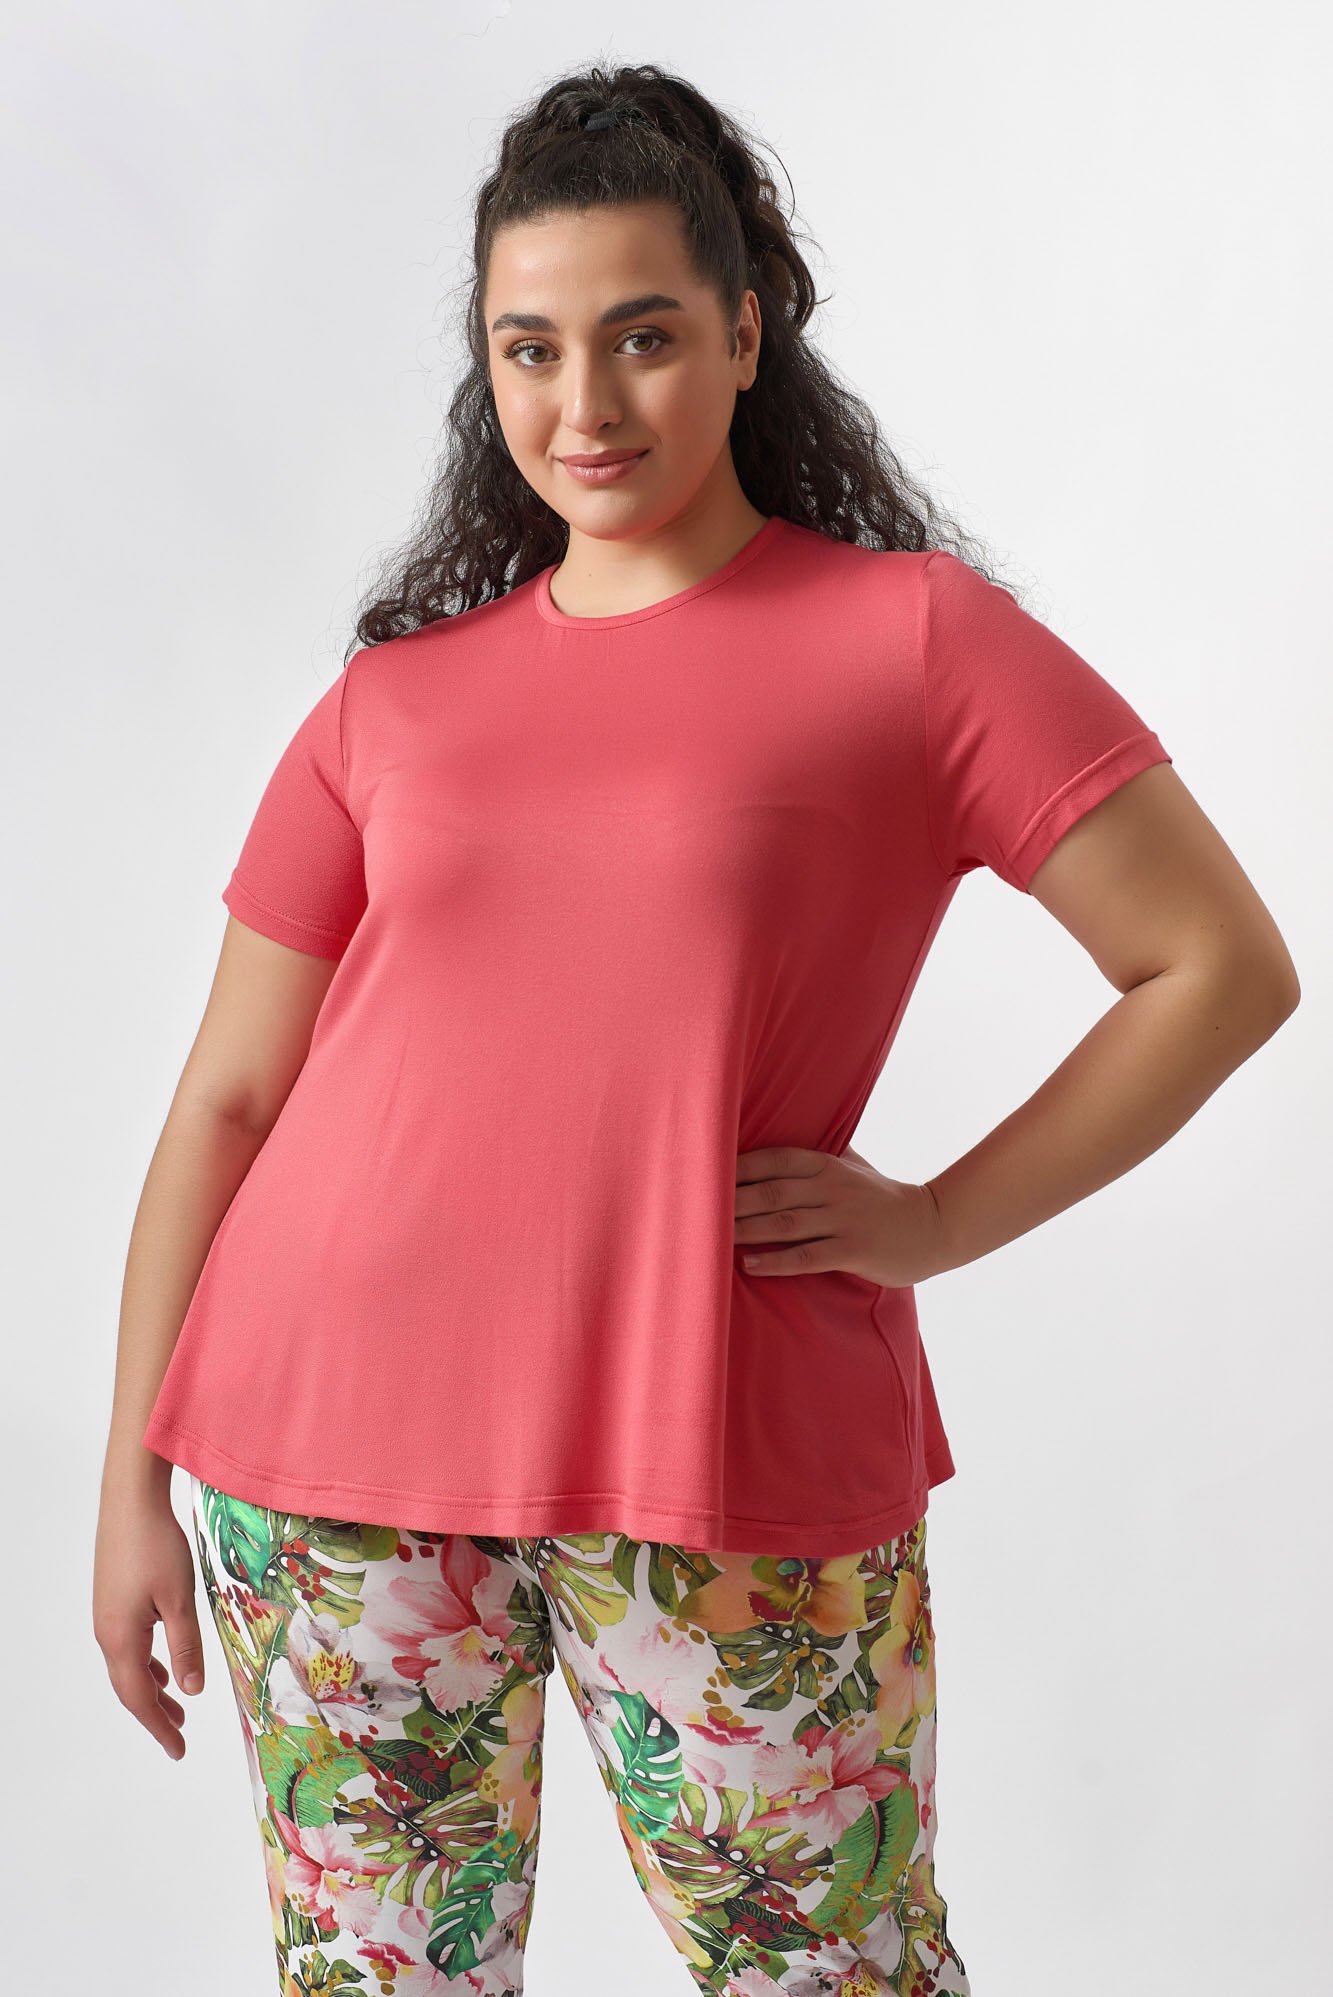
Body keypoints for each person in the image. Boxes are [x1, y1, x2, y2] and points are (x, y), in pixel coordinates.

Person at [92, 59, 1300, 1997]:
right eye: (531, 348)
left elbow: (1217, 967)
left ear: (746, 334)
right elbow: (230, 1097)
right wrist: (129, 1479)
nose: (583, 404)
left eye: (642, 336)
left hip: (720, 1445)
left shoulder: (912, 641)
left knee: (834, 1970)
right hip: (321, 1456)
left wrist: (933, 1218)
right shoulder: (393, 701)